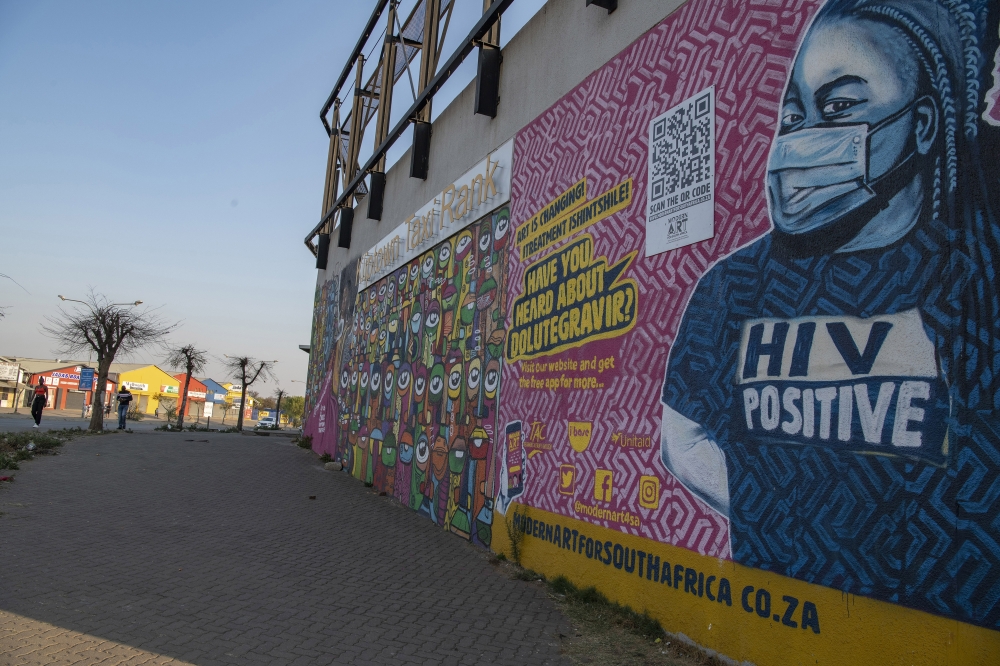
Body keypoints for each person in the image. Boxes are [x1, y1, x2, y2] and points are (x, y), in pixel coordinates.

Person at [660, 0, 999, 628]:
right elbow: (682, 440)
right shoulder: (734, 287)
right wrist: (787, 516)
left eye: (841, 106)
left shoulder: (977, 273)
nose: (806, 137)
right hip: (774, 617)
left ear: (924, 125)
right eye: (795, 115)